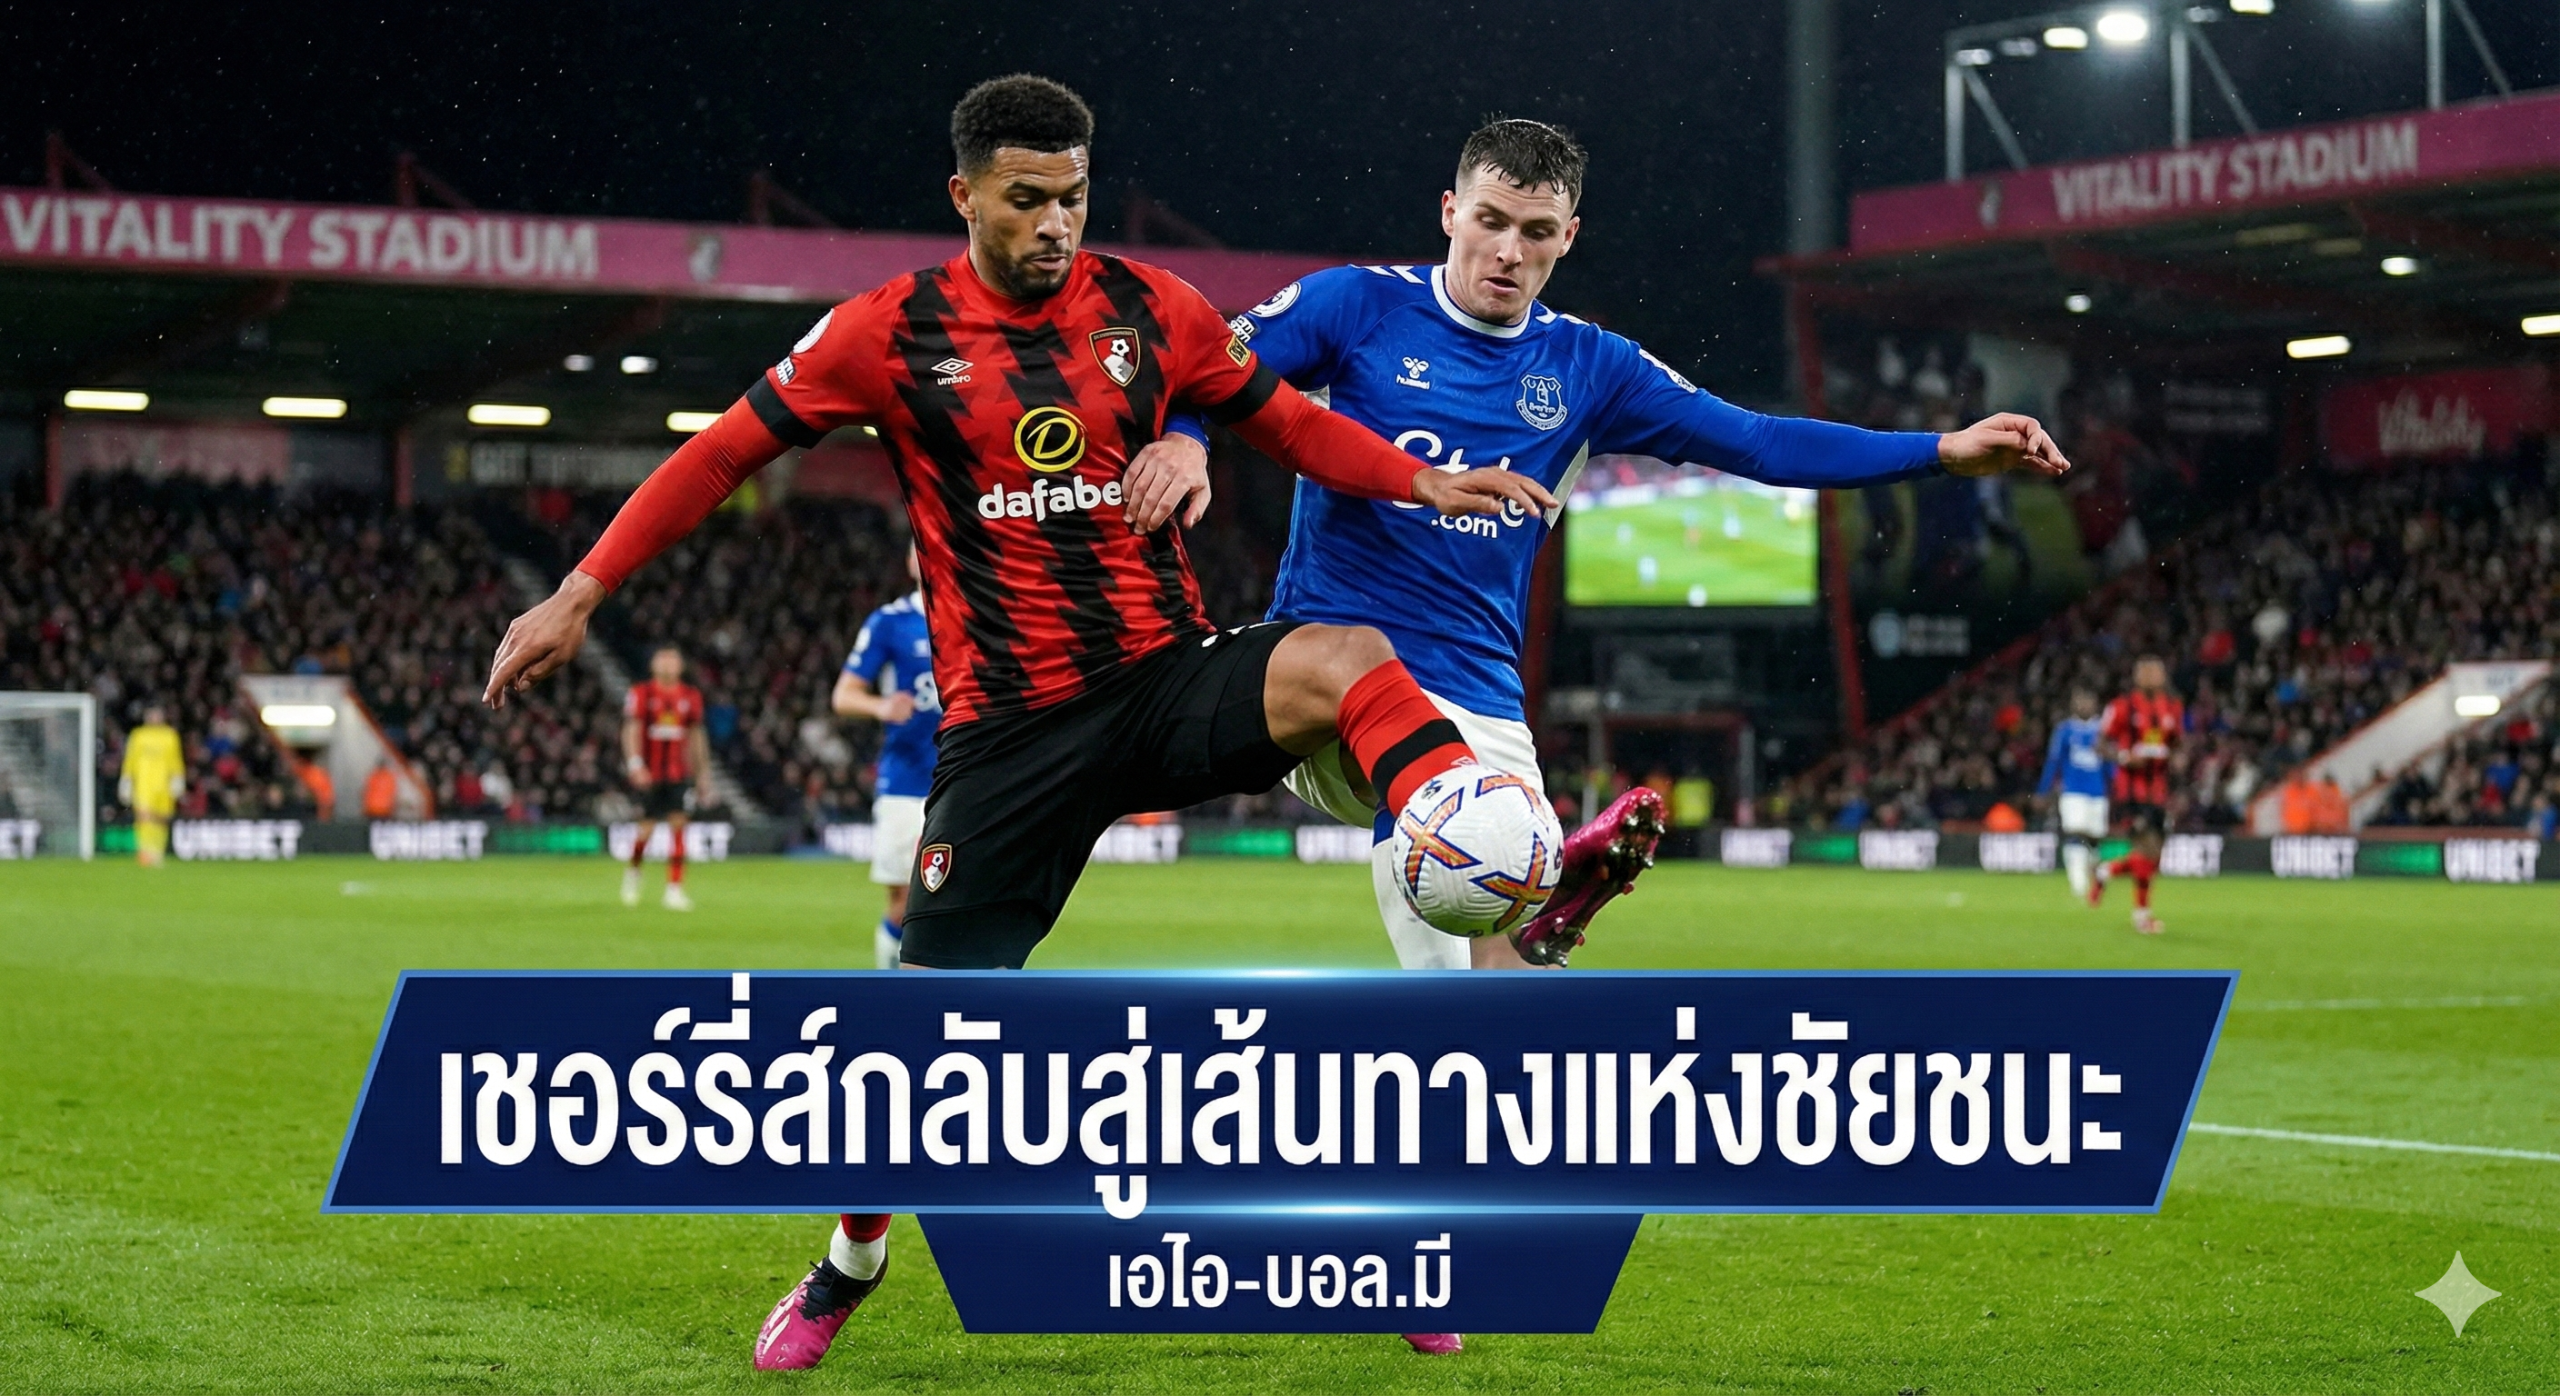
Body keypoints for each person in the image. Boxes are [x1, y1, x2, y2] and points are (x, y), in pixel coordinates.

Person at [478, 75, 1555, 1373]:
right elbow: (722, 452)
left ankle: (1472, 827)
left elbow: (1287, 422)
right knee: (924, 1042)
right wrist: (582, 590)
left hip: (1162, 678)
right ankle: (848, 1264)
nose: (1056, 224)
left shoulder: (1154, 310)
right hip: (1006, 739)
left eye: (1075, 198)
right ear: (966, 194)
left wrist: (1421, 475)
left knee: (1350, 658)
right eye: (1028, 199)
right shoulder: (885, 333)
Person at [1137, 118, 2068, 974]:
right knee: (1438, 887)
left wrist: (1944, 451)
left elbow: (1760, 441)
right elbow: (1216, 362)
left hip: (1475, 699)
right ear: (1450, 211)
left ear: (1568, 236)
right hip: (1328, 674)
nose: (1508, 252)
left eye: (1536, 233)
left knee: (1499, 982)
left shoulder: (1592, 366)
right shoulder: (1358, 306)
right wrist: (1187, 438)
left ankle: (1544, 900)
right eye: (1490, 221)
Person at [832, 545, 940, 969]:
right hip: (906, 780)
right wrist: (881, 707)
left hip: (969, 776)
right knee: (902, 900)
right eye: (917, 546)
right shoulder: (890, 623)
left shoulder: (981, 613)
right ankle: (887, 987)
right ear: (910, 561)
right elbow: (843, 696)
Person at [2091, 655, 2183, 934]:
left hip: (2159, 790)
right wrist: (2122, 756)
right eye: (2149, 673)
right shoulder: (2121, 706)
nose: (2155, 677)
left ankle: (2106, 871)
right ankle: (2142, 917)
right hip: (2130, 790)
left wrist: (2178, 759)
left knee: (2154, 857)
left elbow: (2178, 744)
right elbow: (2100, 744)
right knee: (2145, 848)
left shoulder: (2173, 707)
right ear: (2138, 677)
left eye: (2158, 672)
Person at [620, 645, 713, 911]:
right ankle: (634, 872)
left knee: (679, 825)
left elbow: (696, 737)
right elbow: (631, 730)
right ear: (653, 665)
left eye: (673, 660)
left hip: (678, 773)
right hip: (650, 773)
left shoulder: (690, 696)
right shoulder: (641, 693)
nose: (668, 665)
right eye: (663, 659)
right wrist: (635, 764)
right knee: (646, 829)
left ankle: (674, 889)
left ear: (681, 666)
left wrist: (702, 772)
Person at [2038, 686, 2112, 900]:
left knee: (2095, 838)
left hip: (2098, 793)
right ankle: (2077, 882)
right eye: (2080, 701)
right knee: (2075, 832)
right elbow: (2054, 762)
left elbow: (2109, 765)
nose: (2084, 705)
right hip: (2073, 792)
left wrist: (2117, 785)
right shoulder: (2065, 730)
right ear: (2073, 704)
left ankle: (2093, 880)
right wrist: (2043, 790)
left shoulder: (2103, 730)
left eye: (2088, 701)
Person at [118, 704, 183, 867]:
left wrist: (178, 778)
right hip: (143, 784)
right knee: (144, 818)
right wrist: (126, 780)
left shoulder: (170, 735)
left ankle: (158, 852)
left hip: (163, 785)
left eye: (157, 714)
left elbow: (175, 759)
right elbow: (130, 759)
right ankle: (145, 852)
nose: (154, 718)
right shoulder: (138, 735)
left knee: (161, 819)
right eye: (151, 714)